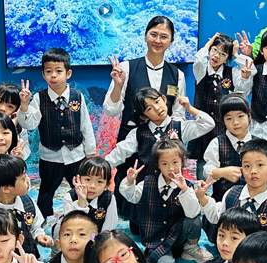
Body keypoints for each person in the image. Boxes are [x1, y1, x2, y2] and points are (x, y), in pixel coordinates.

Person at [102, 16, 188, 218]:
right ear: (145, 36)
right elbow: (110, 110)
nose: (158, 40)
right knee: (129, 187)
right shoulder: (126, 68)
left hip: (164, 142)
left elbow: (178, 113)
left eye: (164, 36)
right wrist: (117, 85)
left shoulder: (177, 75)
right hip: (131, 136)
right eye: (153, 34)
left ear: (171, 41)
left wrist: (172, 140)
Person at [15, 48, 97, 222]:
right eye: (48, 71)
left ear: (68, 73)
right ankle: (44, 220)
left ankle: (84, 215)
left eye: (58, 71)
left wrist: (90, 153)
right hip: (50, 156)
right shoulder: (39, 98)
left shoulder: (77, 96)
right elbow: (29, 124)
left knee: (80, 187)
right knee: (46, 190)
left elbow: (86, 126)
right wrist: (24, 105)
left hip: (76, 155)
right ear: (43, 74)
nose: (53, 75)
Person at [198, 138, 267, 263]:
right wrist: (202, 197)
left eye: (260, 165)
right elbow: (217, 217)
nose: (253, 171)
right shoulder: (232, 193)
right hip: (229, 260)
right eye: (247, 166)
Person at [118, 139, 203, 263]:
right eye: (164, 164)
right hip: (156, 239)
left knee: (195, 221)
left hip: (177, 234)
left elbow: (193, 213)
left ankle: (189, 249)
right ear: (158, 164)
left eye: (175, 162)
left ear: (183, 161)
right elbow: (131, 196)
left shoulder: (186, 185)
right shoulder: (147, 183)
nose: (171, 168)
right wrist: (129, 181)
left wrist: (184, 190)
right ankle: (167, 254)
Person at [188, 32, 249, 174]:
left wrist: (236, 54)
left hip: (223, 129)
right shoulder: (201, 70)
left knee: (225, 163)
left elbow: (247, 82)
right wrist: (208, 44)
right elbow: (199, 60)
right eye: (214, 50)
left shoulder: (232, 72)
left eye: (223, 54)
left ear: (227, 58)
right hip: (202, 130)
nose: (216, 56)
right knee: (202, 165)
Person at [201, 94, 253, 242]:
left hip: (251, 202)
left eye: (240, 116)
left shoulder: (257, 143)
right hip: (224, 202)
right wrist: (222, 172)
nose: (235, 122)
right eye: (229, 118)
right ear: (223, 120)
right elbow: (207, 170)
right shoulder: (217, 143)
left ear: (249, 116)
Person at [0, 154, 53, 255]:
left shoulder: (27, 202)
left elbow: (35, 226)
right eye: (23, 178)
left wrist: (39, 236)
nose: (28, 180)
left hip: (29, 257)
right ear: (6, 188)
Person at [60, 156, 118, 233]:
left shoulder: (109, 198)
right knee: (59, 232)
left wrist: (96, 239)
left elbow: (109, 226)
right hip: (74, 234)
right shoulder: (70, 196)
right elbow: (72, 225)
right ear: (79, 179)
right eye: (88, 179)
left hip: (96, 235)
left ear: (106, 186)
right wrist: (81, 201)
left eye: (99, 182)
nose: (92, 186)